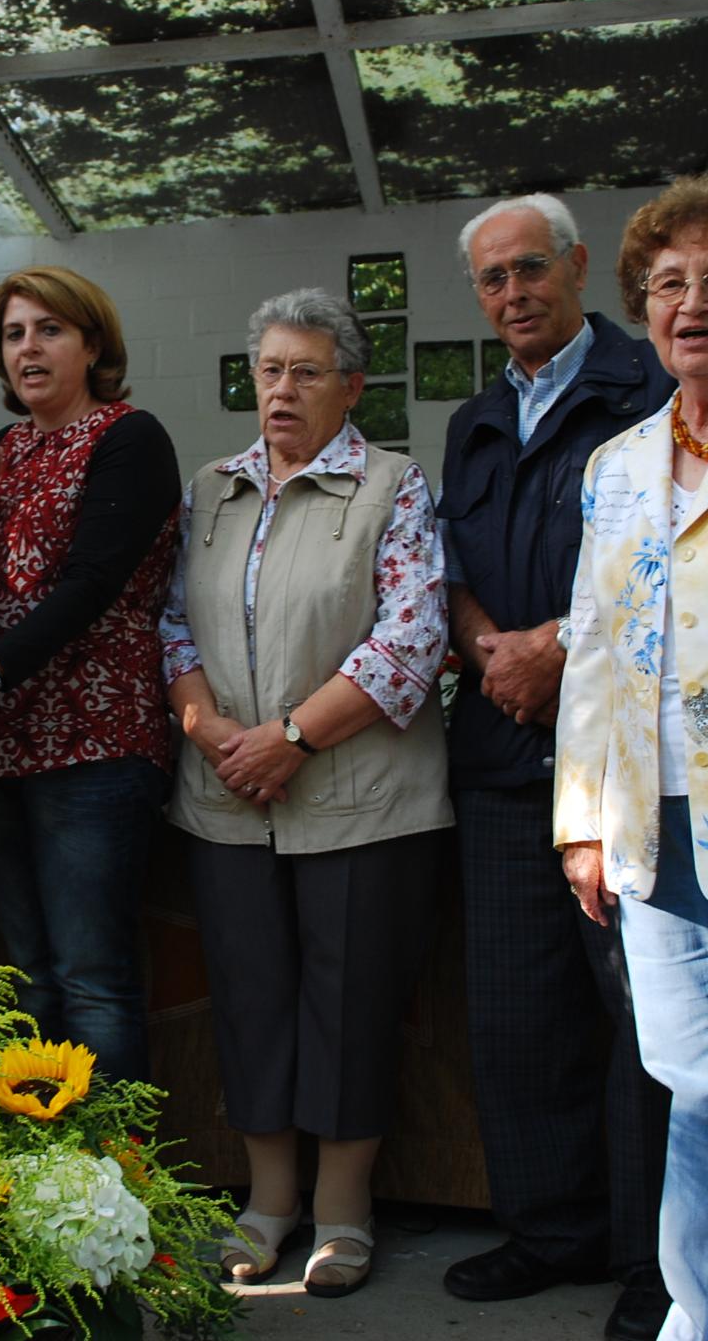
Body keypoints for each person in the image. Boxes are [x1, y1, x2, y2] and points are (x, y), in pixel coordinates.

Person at [159, 287, 450, 1297]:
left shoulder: (393, 485)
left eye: (305, 371)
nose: (280, 389)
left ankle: (341, 1211)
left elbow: (411, 635)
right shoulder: (210, 487)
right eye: (268, 369)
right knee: (249, 1002)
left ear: (350, 384)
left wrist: (287, 737)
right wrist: (208, 730)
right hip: (226, 797)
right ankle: (267, 1201)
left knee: (348, 1002)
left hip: (362, 800)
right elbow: (170, 626)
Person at [556, 174, 708, 1341]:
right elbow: (592, 649)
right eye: (666, 283)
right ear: (643, 310)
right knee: (691, 1085)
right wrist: (581, 819)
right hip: (647, 827)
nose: (689, 302)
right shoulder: (613, 465)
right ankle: (698, 1311)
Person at [436, 194, 675, 1340]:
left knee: (640, 1015)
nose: (512, 294)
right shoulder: (475, 417)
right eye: (490, 279)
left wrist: (555, 648)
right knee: (517, 1012)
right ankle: (550, 1228)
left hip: (618, 756)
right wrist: (491, 645)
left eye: (530, 269)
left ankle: (653, 1255)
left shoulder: (652, 391)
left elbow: (677, 564)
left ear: (577, 266)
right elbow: (453, 564)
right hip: (496, 752)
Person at [0, 266, 180, 1085]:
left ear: (92, 344)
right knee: (26, 980)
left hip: (94, 743)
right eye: (13, 334)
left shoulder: (129, 438)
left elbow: (91, 584)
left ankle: (114, 1189)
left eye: (50, 330)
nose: (29, 348)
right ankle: (43, 1187)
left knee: (92, 979)